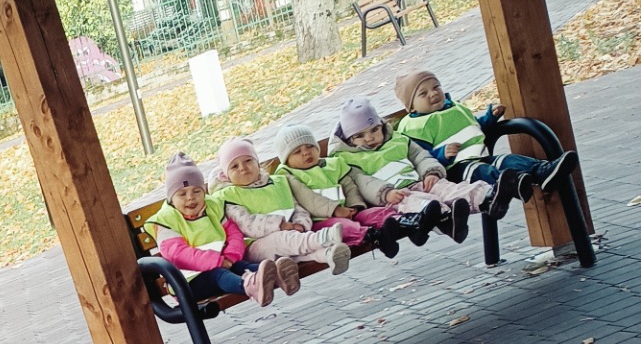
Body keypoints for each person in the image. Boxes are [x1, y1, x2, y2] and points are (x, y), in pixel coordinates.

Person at [393, 68, 575, 214]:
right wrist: (442, 154)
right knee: (483, 171)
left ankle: (542, 171)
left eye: (436, 87)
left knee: (506, 160)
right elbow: (418, 158)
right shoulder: (414, 126)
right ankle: (514, 183)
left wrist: (490, 117)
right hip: (453, 170)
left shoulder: (454, 108)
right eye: (423, 93)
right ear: (411, 107)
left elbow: (473, 126)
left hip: (478, 156)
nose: (433, 93)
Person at [331, 95, 491, 242]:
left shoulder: (397, 140)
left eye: (374, 130)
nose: (369, 138)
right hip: (393, 196)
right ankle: (447, 221)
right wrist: (386, 193)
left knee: (444, 188)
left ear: (382, 126)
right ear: (349, 140)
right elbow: (363, 183)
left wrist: (431, 172)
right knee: (419, 203)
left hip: (419, 182)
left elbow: (420, 156)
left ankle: (486, 197)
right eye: (359, 136)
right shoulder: (348, 159)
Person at [135, 152, 283, 306]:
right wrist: (217, 261)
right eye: (182, 194)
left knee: (241, 266)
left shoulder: (212, 208)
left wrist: (230, 256)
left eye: (196, 191)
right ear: (171, 198)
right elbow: (178, 254)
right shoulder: (166, 221)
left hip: (221, 264)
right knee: (219, 275)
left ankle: (277, 274)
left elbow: (234, 234)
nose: (190, 197)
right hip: (188, 282)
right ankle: (251, 286)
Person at [210, 135, 351, 288]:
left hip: (290, 239)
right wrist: (281, 225)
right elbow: (248, 224)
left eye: (248, 161)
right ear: (226, 175)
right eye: (234, 166)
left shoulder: (277, 183)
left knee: (290, 247)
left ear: (257, 163)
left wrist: (301, 224)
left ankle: (327, 255)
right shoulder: (227, 196)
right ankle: (323, 238)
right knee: (282, 239)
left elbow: (297, 207)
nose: (243, 168)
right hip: (254, 247)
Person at [270, 121, 411, 259]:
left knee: (375, 213)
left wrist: (355, 205)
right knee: (343, 227)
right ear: (286, 160)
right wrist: (335, 210)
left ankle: (404, 223)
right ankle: (375, 237)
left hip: (347, 211)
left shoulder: (332, 164)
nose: (306, 153)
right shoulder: (288, 175)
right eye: (297, 152)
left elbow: (348, 186)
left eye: (310, 146)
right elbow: (308, 199)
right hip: (320, 221)